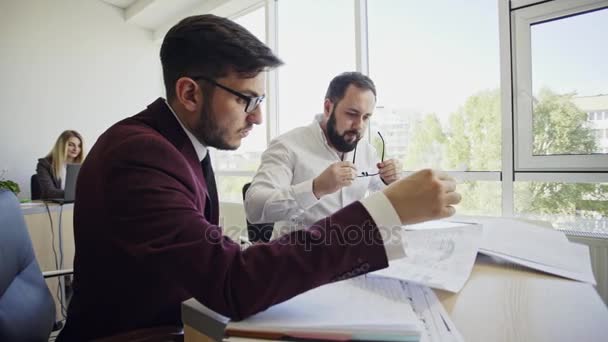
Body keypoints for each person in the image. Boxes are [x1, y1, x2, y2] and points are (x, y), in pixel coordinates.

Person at [57, 14, 461, 341]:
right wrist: (386, 212)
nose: (258, 116)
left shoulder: (181, 145)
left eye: (261, 100)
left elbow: (194, 250)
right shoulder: (140, 155)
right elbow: (232, 283)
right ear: (190, 93)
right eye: (247, 99)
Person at [245, 72, 401, 238]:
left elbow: (384, 195)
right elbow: (254, 208)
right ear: (328, 108)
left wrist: (390, 180)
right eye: (352, 114)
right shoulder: (287, 146)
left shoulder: (367, 151)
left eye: (366, 117)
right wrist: (316, 188)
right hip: (298, 258)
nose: (359, 126)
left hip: (351, 255)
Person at [36, 130, 84, 199]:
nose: (76, 149)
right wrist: (80, 194)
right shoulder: (45, 164)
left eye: (79, 146)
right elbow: (49, 192)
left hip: (77, 204)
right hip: (54, 206)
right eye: (71, 145)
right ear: (61, 146)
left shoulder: (83, 165)